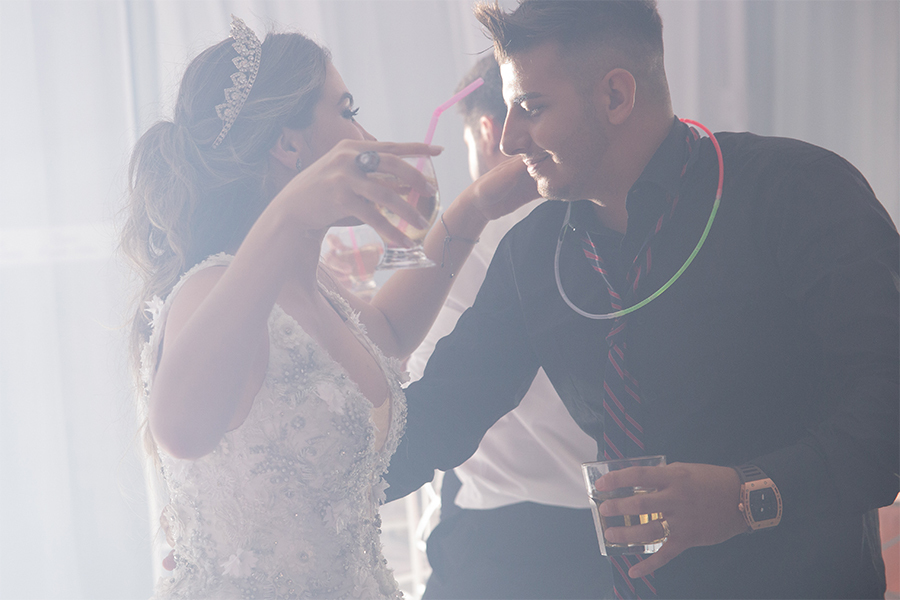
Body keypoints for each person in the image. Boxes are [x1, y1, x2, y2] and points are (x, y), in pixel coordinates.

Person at [385, 1, 900, 599]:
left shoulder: (797, 192)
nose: (509, 136)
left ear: (615, 97)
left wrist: (746, 496)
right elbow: (440, 415)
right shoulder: (535, 252)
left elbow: (886, 414)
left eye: (531, 107)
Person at [121, 16, 533, 599]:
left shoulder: (310, 278)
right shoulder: (212, 288)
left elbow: (386, 332)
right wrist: (293, 212)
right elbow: (182, 432)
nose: (364, 135)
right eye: (346, 110)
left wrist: (475, 207)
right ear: (288, 144)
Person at [405, 55, 612, 599]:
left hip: (499, 542)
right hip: (614, 535)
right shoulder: (604, 231)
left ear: (485, 129)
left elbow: (413, 383)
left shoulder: (452, 256)